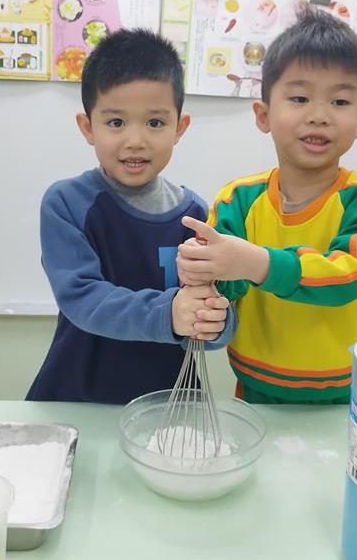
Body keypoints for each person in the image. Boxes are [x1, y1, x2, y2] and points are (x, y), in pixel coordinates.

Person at [177, 8, 357, 404]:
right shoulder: (237, 200)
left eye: (340, 101)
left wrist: (258, 263)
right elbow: (227, 286)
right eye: (299, 98)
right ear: (263, 115)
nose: (319, 116)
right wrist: (203, 277)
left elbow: (346, 276)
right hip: (257, 389)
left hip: (352, 394)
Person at [27, 29, 235, 404]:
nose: (135, 140)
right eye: (116, 123)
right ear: (88, 128)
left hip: (168, 405)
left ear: (179, 128)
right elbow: (83, 298)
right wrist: (169, 313)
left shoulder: (195, 215)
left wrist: (215, 321)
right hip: (79, 398)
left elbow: (211, 308)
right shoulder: (66, 203)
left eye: (154, 123)